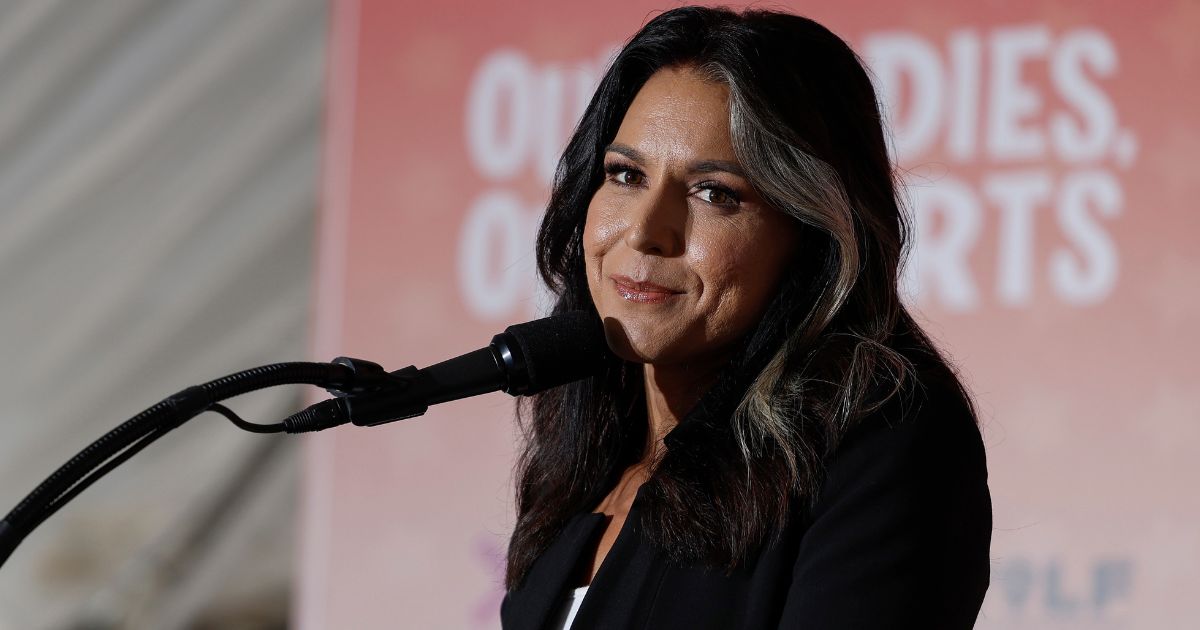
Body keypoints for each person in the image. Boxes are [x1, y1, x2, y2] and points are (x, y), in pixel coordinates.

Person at [500, 6, 992, 629]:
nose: (647, 231)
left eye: (716, 193)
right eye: (625, 175)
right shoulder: (584, 460)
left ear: (811, 235)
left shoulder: (880, 441)